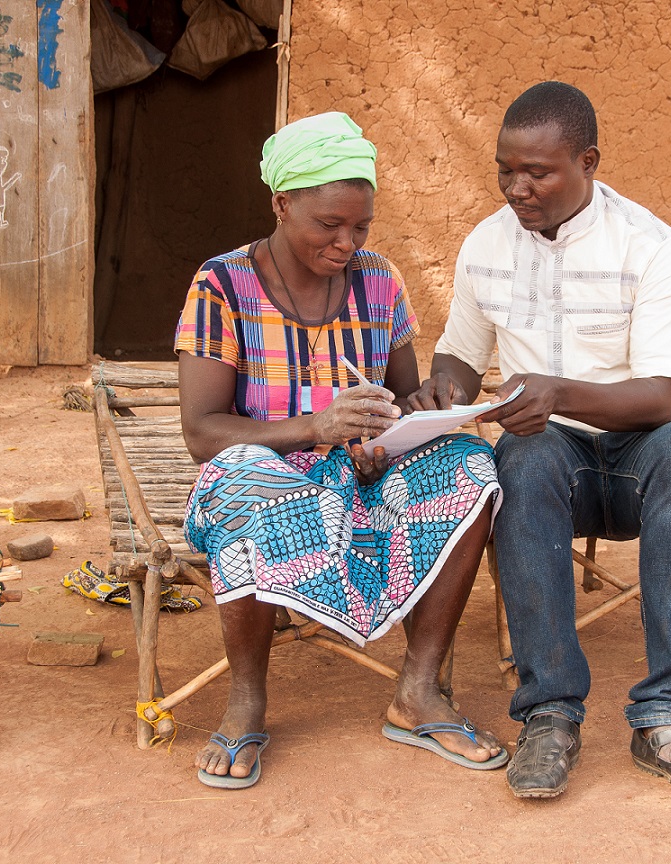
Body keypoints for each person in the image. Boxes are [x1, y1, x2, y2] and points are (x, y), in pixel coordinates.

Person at [408, 83, 671, 811]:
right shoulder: (485, 242)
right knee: (520, 460)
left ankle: (667, 718)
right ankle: (549, 712)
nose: (517, 188)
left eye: (538, 172)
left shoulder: (651, 246)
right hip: (548, 451)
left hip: (638, 455)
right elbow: (461, 355)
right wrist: (442, 386)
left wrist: (557, 391)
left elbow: (660, 396)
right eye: (505, 170)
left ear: (587, 161)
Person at [174, 112, 505, 789]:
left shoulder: (378, 281)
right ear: (281, 202)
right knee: (241, 476)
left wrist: (404, 427)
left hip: (357, 480)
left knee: (469, 462)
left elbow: (402, 401)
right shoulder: (221, 285)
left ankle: (417, 691)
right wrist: (314, 428)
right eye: (328, 225)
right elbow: (203, 432)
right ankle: (246, 702)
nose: (345, 243)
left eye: (360, 228)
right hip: (261, 480)